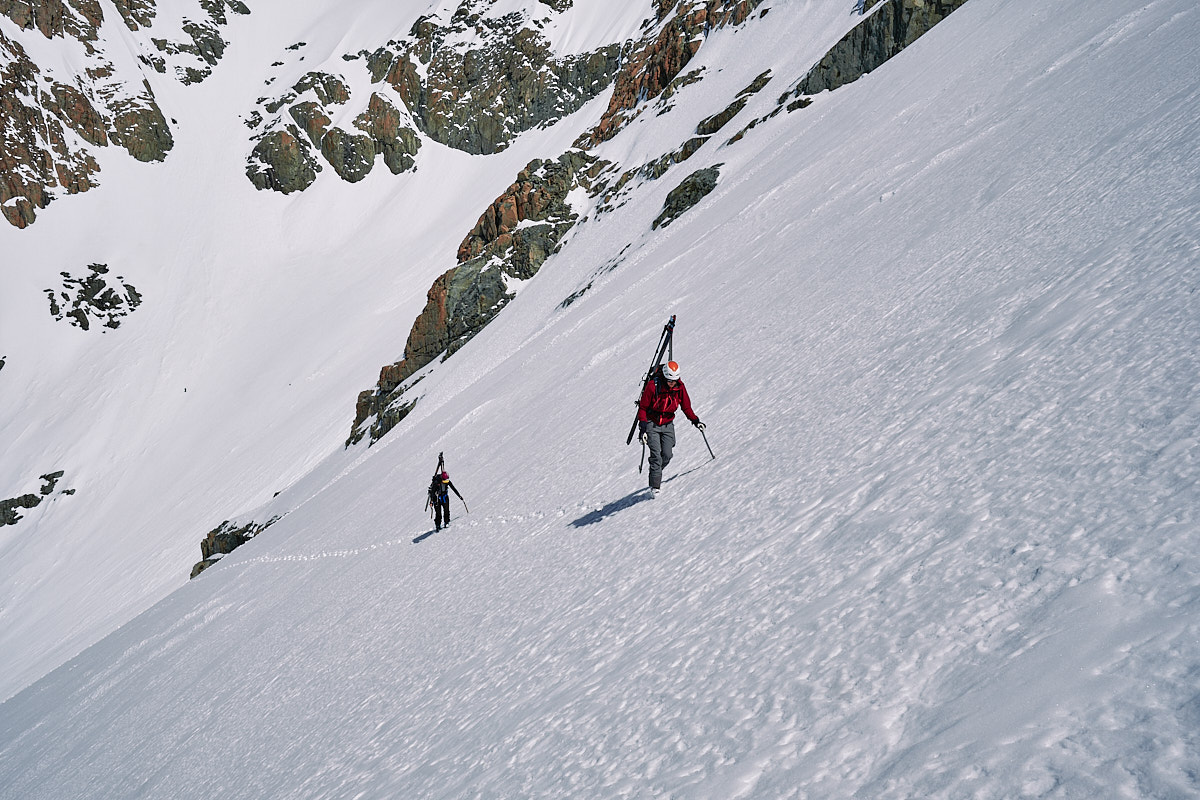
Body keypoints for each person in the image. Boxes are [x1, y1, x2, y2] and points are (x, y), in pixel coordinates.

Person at [637, 360, 704, 497]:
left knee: (667, 455)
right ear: (664, 377)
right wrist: (642, 428)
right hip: (652, 423)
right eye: (669, 380)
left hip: (668, 424)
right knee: (656, 455)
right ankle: (655, 487)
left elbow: (686, 406)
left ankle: (656, 472)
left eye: (675, 380)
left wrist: (696, 421)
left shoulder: (679, 387)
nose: (672, 383)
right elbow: (643, 408)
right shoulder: (652, 386)